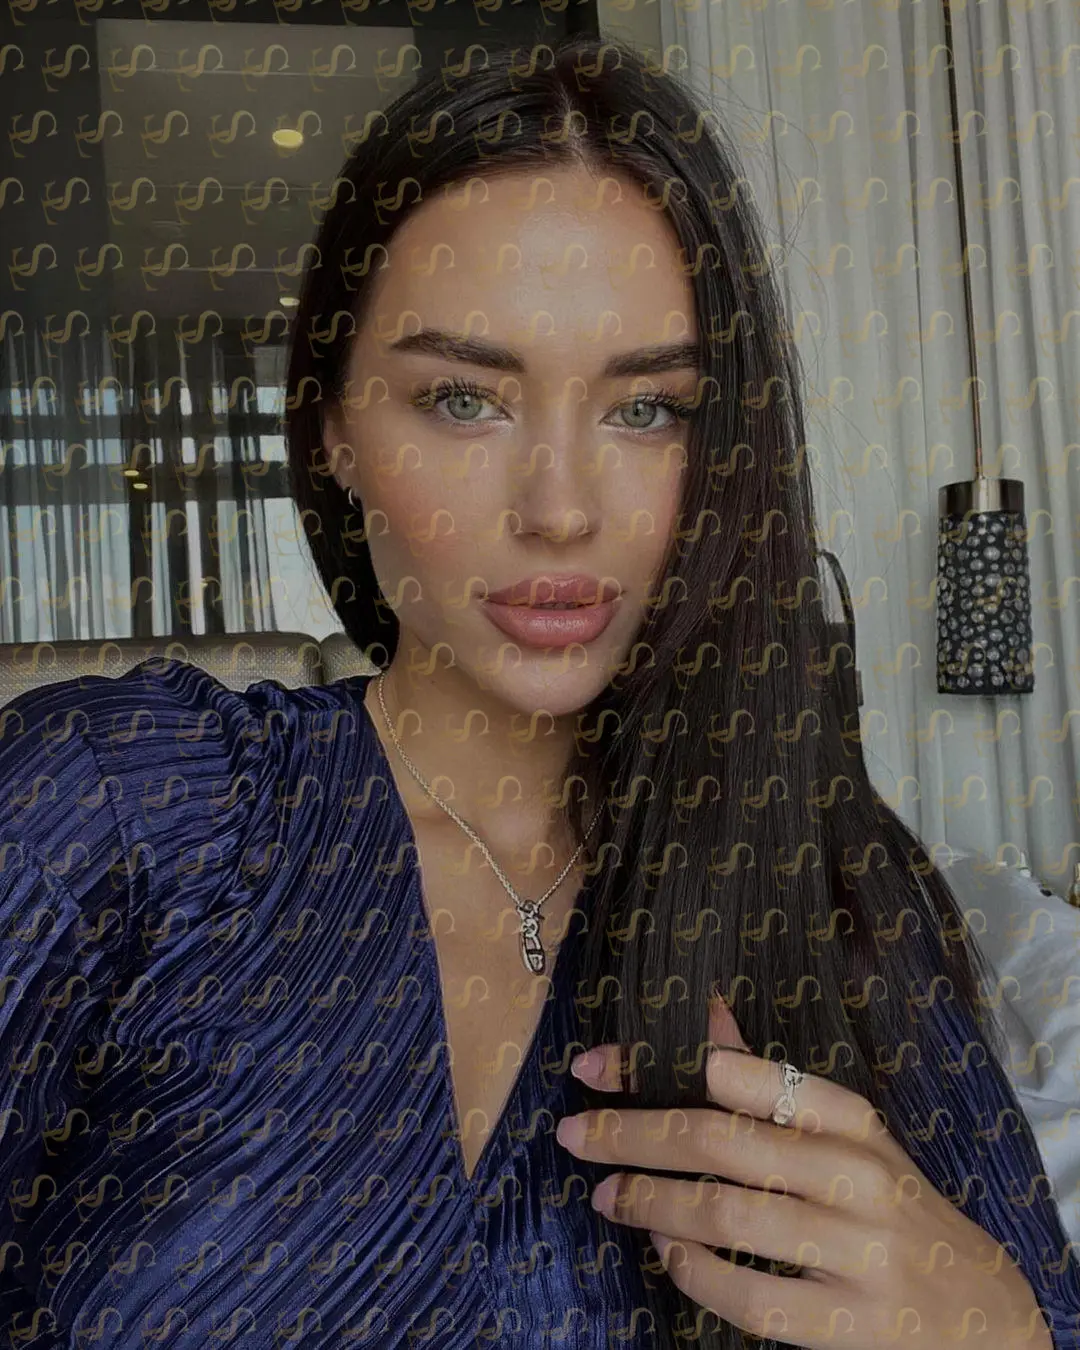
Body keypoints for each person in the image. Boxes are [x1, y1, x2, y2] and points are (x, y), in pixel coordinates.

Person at [1, 31, 1077, 1350]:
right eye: (464, 399)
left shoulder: (836, 894)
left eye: (647, 409)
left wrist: (999, 1329)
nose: (561, 509)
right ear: (334, 426)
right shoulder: (110, 809)